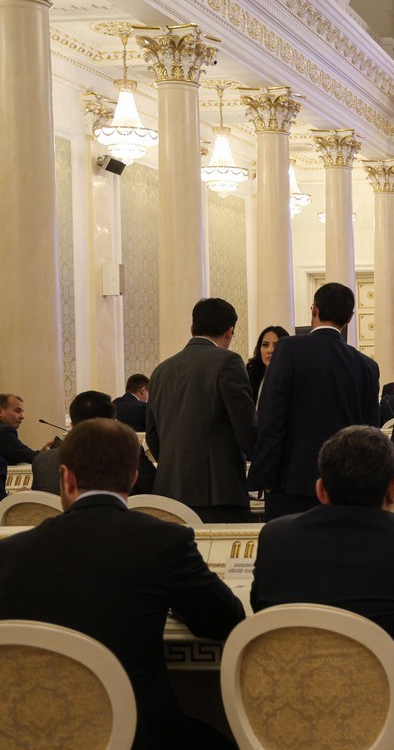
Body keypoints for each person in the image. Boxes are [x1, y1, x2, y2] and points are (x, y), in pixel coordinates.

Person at [0, 419, 244, 750]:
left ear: (66, 477)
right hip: (137, 735)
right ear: (133, 477)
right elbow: (225, 619)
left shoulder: (9, 553)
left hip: (28, 735)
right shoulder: (164, 541)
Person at [252, 426, 394, 750]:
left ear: (321, 490)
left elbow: (260, 607)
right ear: (393, 488)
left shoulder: (275, 538)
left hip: (290, 728)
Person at [251, 282, 380, 520]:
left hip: (291, 482)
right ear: (350, 318)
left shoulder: (289, 349)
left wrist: (265, 475)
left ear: (314, 309)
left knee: (289, 544)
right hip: (346, 485)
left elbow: (271, 415)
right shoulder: (367, 366)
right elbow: (370, 432)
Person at [146, 298, 257, 523]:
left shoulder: (161, 370)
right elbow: (246, 427)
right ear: (229, 332)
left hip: (169, 494)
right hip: (218, 494)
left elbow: (153, 436)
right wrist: (265, 469)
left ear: (192, 327)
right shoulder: (228, 362)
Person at [245, 325, 290, 400]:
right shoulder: (250, 375)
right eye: (265, 345)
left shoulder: (291, 379)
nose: (269, 350)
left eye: (276, 345)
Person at [0, 393, 46, 464]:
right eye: (17, 411)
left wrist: (40, 453)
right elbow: (31, 458)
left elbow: (17, 456)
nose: (22, 417)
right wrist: (50, 454)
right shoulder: (4, 432)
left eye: (21, 412)